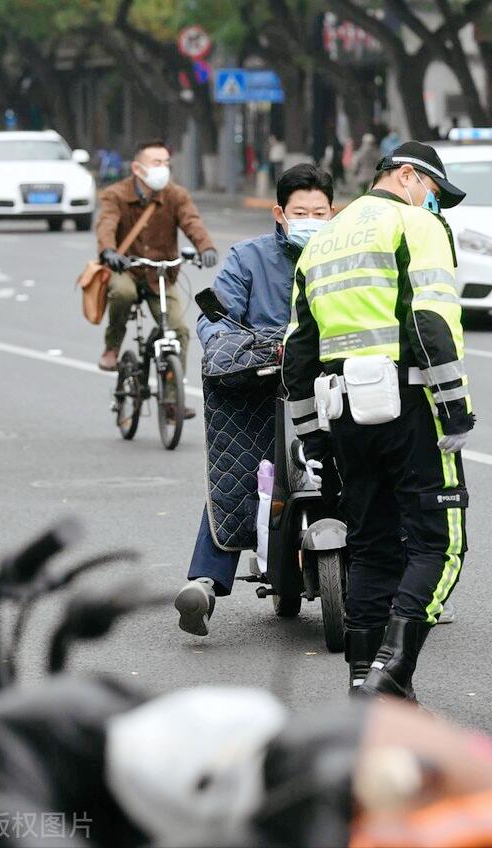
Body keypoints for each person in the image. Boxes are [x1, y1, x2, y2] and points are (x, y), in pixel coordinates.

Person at [282, 142, 473, 697]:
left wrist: (315, 439)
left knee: (370, 547)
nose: (435, 206)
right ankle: (391, 675)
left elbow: (298, 353)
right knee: (441, 547)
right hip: (411, 406)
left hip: (344, 415)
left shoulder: (325, 238)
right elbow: (431, 319)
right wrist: (455, 409)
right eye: (434, 194)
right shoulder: (411, 223)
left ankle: (362, 681)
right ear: (409, 177)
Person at [173, 165, 335, 637]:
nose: (310, 219)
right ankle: (204, 584)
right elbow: (214, 319)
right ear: (280, 214)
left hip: (332, 390)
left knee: (372, 471)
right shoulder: (249, 257)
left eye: (319, 212)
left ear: (334, 211)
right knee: (241, 472)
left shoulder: (350, 255)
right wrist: (257, 348)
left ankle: (405, 585)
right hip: (262, 389)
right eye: (301, 212)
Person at [96, 139, 218, 400]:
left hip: (160, 275)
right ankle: (112, 346)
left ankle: (174, 398)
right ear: (138, 169)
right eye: (157, 163)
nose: (163, 168)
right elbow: (106, 223)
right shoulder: (116, 194)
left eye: (166, 163)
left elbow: (192, 222)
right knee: (123, 294)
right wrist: (109, 251)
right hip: (126, 269)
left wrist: (205, 247)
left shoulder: (176, 195)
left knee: (179, 330)